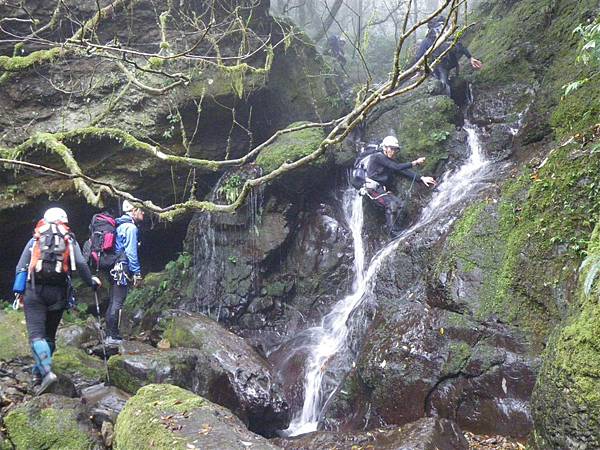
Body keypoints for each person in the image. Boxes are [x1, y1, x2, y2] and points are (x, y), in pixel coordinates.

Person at [12, 207, 101, 395]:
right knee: (50, 336)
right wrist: (91, 281)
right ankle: (39, 373)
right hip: (59, 293)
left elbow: (21, 267)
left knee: (37, 335)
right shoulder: (68, 239)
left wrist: (19, 291)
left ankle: (45, 372)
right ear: (64, 221)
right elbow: (82, 264)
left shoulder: (35, 239)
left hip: (34, 292)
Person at [362, 136, 436, 238]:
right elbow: (396, 167)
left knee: (399, 204)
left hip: (380, 189)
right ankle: (393, 232)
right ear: (385, 148)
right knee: (391, 204)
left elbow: (401, 170)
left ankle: (398, 228)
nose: (394, 152)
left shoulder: (388, 161)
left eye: (395, 149)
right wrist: (415, 162)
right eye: (391, 149)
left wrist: (421, 178)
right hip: (372, 189)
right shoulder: (377, 157)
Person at [413, 15, 483, 96]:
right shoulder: (447, 34)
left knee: (444, 85)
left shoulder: (427, 40)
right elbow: (460, 46)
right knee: (446, 79)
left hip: (442, 65)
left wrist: (418, 70)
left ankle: (447, 96)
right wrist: (470, 57)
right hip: (453, 61)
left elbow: (419, 56)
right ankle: (453, 81)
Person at [105, 200, 144, 345]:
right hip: (121, 268)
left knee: (113, 299)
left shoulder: (119, 226)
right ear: (133, 211)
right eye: (141, 210)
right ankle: (112, 336)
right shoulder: (130, 228)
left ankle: (109, 334)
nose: (143, 213)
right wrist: (137, 273)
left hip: (112, 266)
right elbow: (131, 253)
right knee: (118, 301)